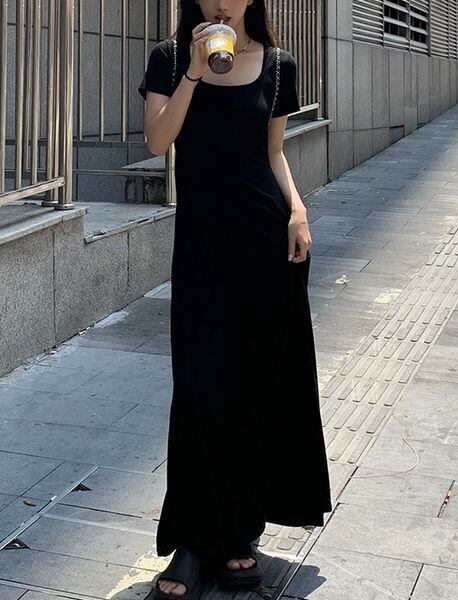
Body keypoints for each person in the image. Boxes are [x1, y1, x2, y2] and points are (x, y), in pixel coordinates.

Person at [138, 1, 332, 598]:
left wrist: (297, 210)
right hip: (202, 249)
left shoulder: (278, 65)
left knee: (253, 390)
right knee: (199, 388)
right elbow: (158, 140)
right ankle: (193, 541)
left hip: (263, 241)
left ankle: (239, 534)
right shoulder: (170, 58)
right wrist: (194, 72)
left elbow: (273, 153)